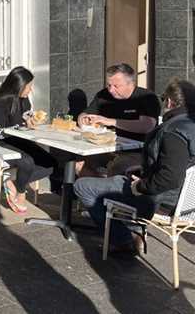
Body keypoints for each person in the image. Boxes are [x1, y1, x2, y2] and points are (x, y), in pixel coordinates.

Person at [74, 78, 195, 255]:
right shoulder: (188, 126)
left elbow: (170, 177)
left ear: (169, 101)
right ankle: (130, 228)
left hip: (161, 200)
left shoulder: (173, 132)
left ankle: (124, 239)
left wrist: (139, 186)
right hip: (186, 201)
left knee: (83, 186)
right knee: (122, 169)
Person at [0, 67, 59, 213]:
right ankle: (21, 192)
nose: (30, 90)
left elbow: (27, 116)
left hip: (19, 139)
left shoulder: (24, 101)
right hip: (0, 143)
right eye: (28, 87)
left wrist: (31, 120)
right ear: (17, 86)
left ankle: (14, 183)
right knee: (27, 162)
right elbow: (0, 134)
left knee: (51, 163)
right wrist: (22, 125)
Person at [78, 64, 161, 176]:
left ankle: (101, 186)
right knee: (78, 164)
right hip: (106, 148)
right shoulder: (103, 95)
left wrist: (111, 121)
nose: (111, 90)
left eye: (116, 86)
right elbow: (85, 113)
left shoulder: (146, 97)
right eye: (109, 85)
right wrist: (84, 119)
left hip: (138, 151)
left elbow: (147, 126)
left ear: (131, 84)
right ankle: (97, 187)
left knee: (115, 167)